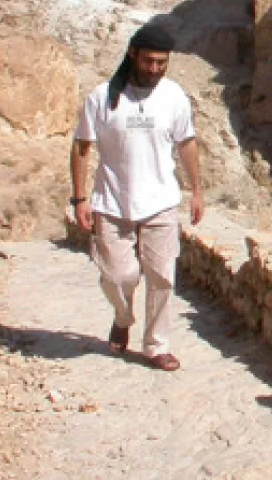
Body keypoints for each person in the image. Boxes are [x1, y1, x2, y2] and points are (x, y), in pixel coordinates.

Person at [69, 25, 202, 371]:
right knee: (118, 276)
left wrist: (197, 191)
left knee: (162, 277)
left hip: (161, 202)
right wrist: (80, 199)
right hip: (112, 203)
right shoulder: (102, 97)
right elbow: (82, 146)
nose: (155, 69)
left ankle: (156, 346)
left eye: (162, 63)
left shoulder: (174, 96)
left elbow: (186, 143)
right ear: (132, 55)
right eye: (148, 61)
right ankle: (123, 317)